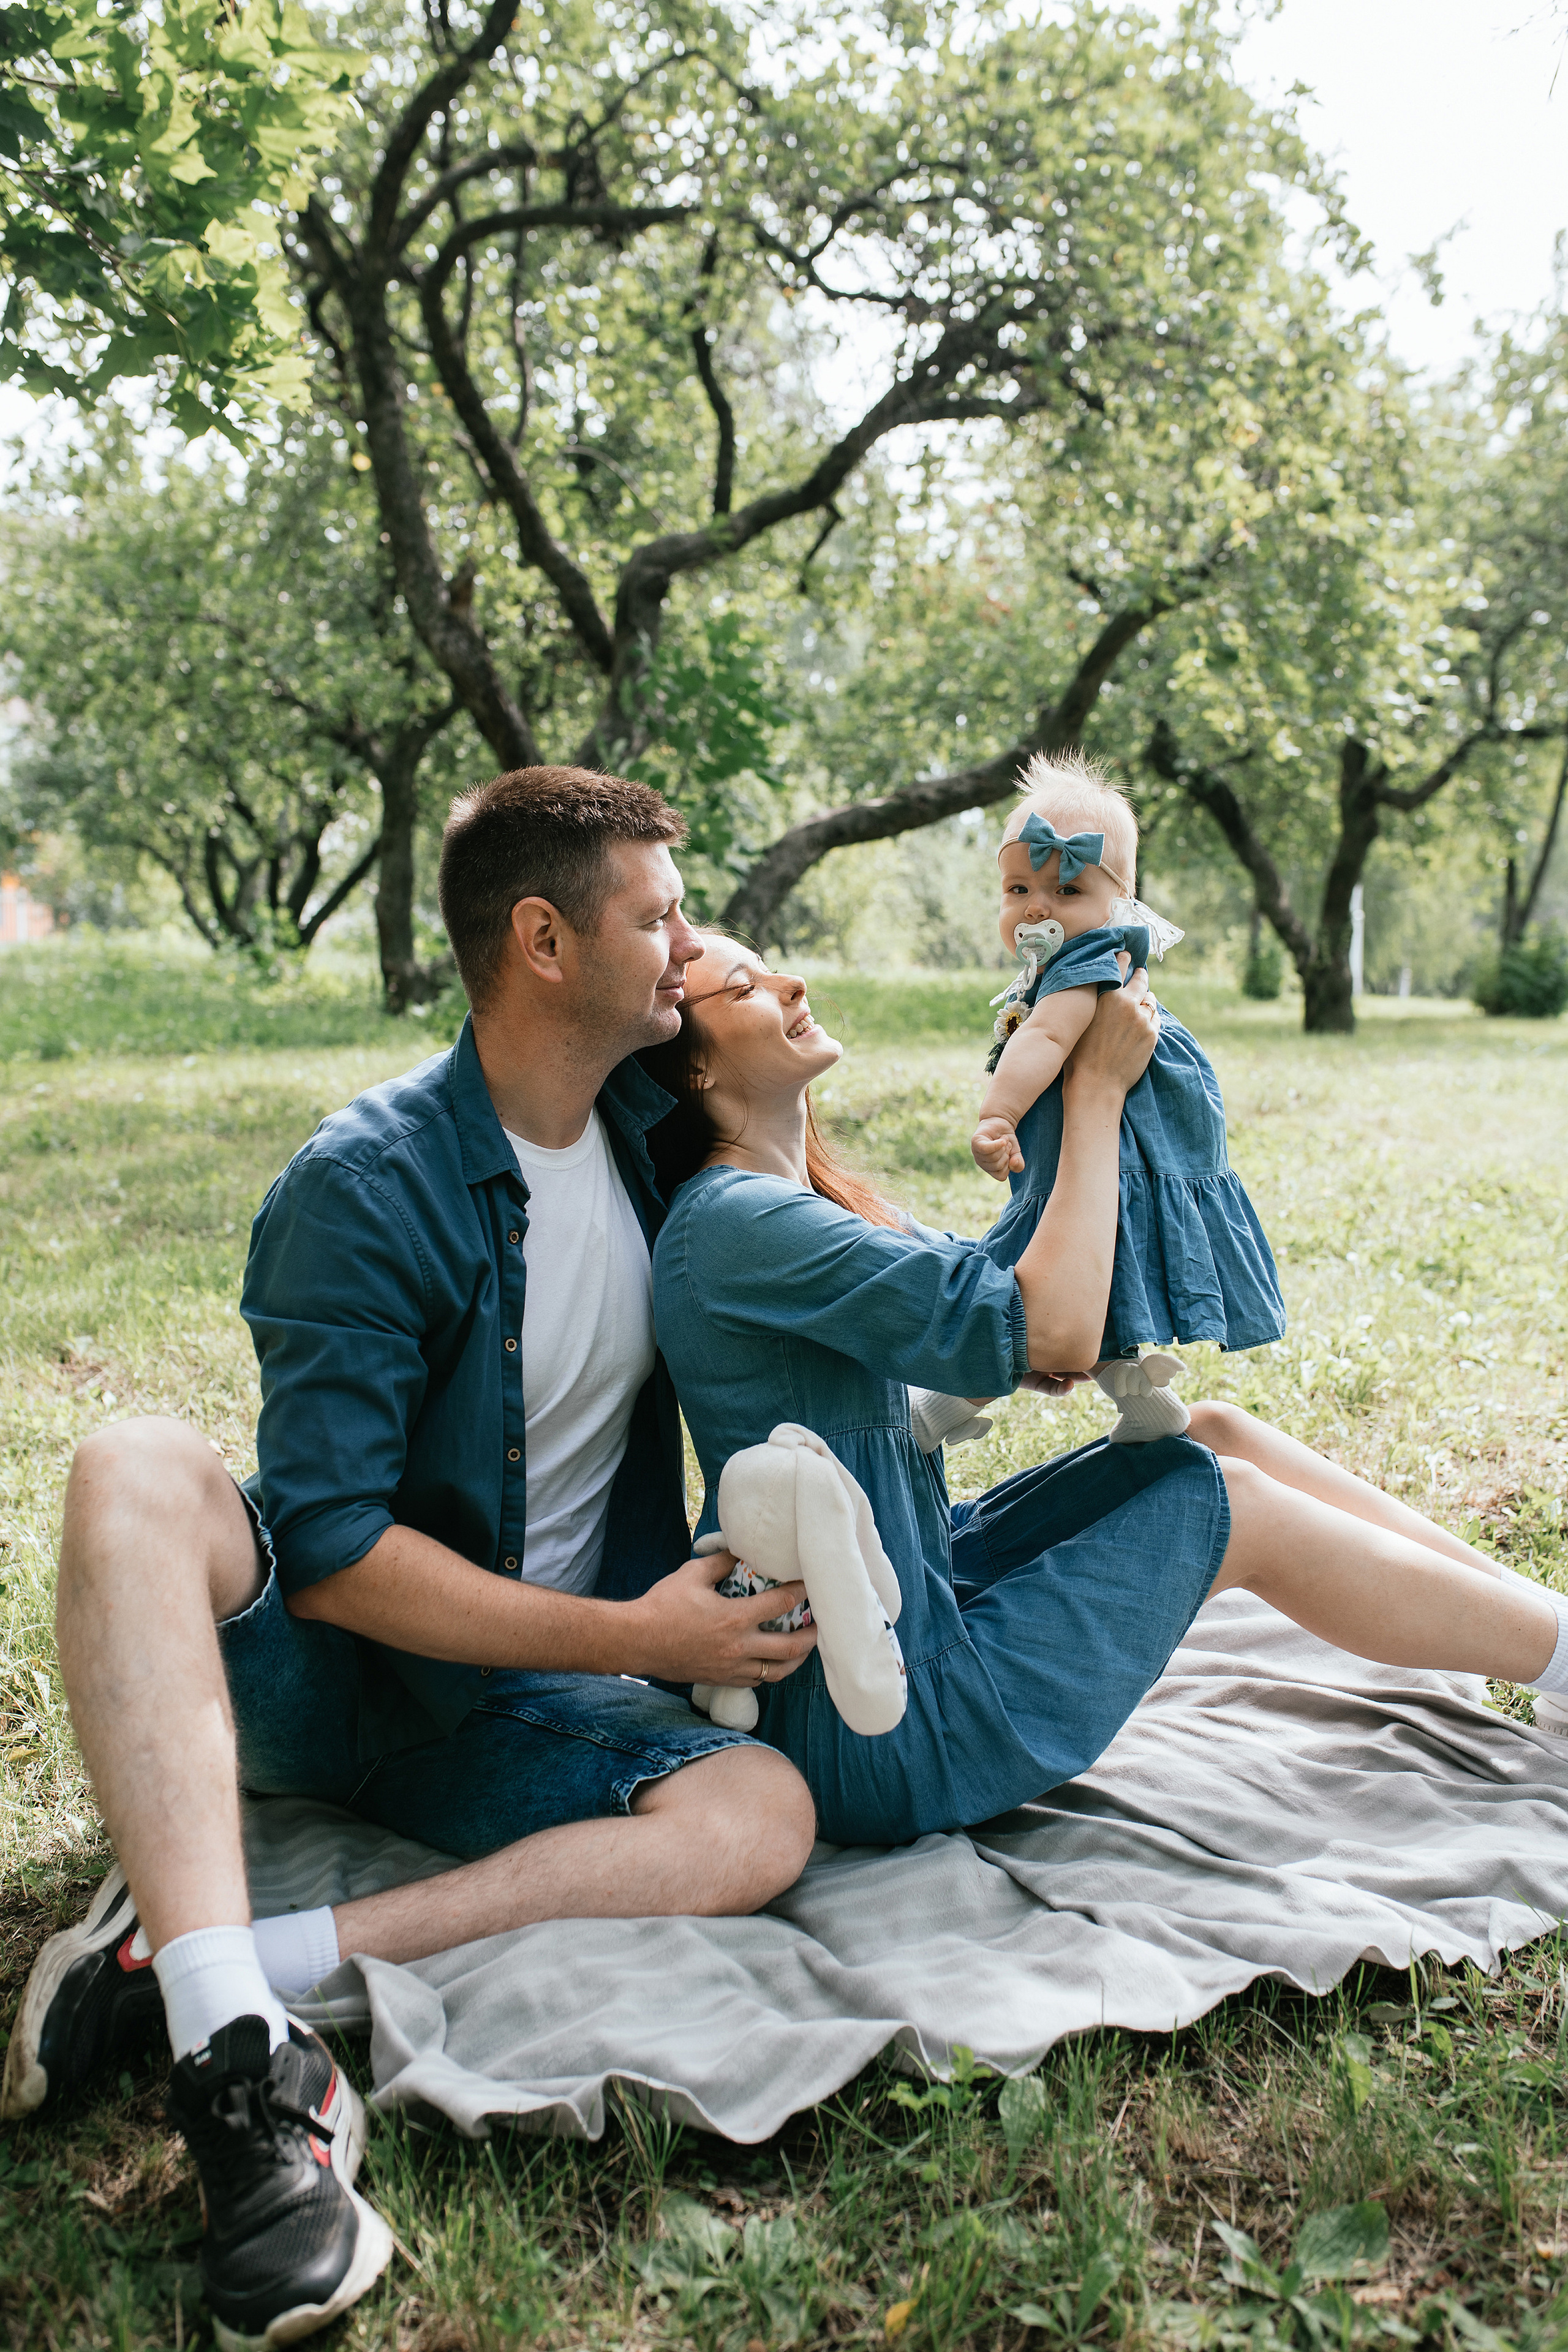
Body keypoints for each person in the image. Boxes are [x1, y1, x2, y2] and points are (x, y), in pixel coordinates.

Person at [4, 769, 818, 2352]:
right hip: (343, 1685)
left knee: (765, 1814)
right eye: (657, 914)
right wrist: (627, 1633)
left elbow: (827, 1214)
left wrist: (775, 1070)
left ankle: (215, 1958)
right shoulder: (368, 1182)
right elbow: (326, 1553)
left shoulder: (657, 1131)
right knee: (130, 1471)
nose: (688, 942)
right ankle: (245, 2076)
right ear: (541, 941)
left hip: (510, 1728)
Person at [641, 931, 1568, 1846]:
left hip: (926, 1594)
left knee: (1212, 1438)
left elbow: (1001, 1290)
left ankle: (1551, 1637)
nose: (793, 982)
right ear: (693, 1073)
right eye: (746, 986)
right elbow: (1050, 1324)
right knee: (1231, 1505)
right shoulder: (736, 1221)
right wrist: (1093, 1093)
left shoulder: (795, 1203)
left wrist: (1067, 1101)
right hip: (888, 1717)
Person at [958, 749, 1284, 1447]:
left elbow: (1044, 1040)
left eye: (1065, 892)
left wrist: (998, 1113)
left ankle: (944, 1406)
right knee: (1103, 1268)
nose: (1036, 908)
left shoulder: (1083, 965)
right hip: (1119, 1143)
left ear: (1120, 904)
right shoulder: (1072, 961)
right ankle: (1143, 1404)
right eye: (1017, 891)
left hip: (1112, 1143)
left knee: (1032, 1277)